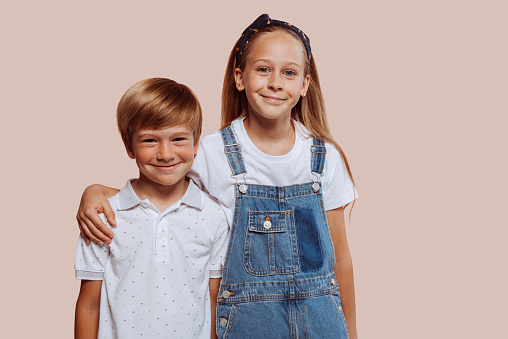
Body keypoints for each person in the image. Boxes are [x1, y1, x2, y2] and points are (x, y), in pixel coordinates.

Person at [77, 14, 358, 338]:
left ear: (305, 84)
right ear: (240, 77)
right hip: (247, 324)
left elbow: (341, 258)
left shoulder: (323, 158)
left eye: (289, 72)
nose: (276, 82)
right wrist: (96, 191)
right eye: (263, 69)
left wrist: (351, 333)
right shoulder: (211, 152)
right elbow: (163, 191)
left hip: (320, 323)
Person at [74, 78, 229, 339]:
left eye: (178, 138)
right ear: (128, 145)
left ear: (195, 143)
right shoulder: (102, 217)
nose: (165, 153)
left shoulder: (213, 216)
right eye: (149, 141)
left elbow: (215, 302)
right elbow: (89, 306)